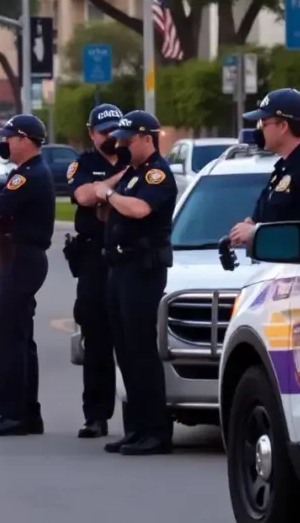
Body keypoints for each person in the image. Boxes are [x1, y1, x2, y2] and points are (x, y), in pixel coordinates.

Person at [94, 110, 177, 456]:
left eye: (129, 140)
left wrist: (109, 195)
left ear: (147, 138)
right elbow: (106, 209)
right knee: (125, 350)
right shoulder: (132, 174)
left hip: (143, 269)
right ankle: (137, 428)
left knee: (142, 350)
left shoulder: (157, 174)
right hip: (120, 266)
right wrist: (110, 190)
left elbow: (140, 210)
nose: (123, 146)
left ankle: (156, 431)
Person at [0, 114, 55, 437]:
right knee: (22, 339)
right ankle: (28, 413)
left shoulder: (26, 177)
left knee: (12, 340)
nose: (5, 142)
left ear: (25, 140)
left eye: (10, 137)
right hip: (22, 259)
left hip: (20, 260)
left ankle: (12, 414)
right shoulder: (26, 174)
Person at [66, 103, 129, 439]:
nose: (111, 137)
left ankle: (137, 417)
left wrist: (107, 189)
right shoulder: (84, 164)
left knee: (131, 339)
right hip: (93, 258)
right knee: (96, 339)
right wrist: (117, 181)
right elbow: (84, 195)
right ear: (92, 134)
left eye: (115, 131)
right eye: (104, 132)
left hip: (127, 257)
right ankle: (96, 415)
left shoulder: (135, 158)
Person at [228, 88, 300, 248]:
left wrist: (256, 232)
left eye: (263, 123)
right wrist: (251, 224)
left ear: (283, 126)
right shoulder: (285, 167)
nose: (259, 130)